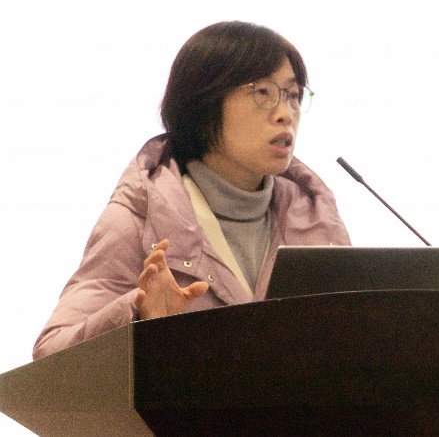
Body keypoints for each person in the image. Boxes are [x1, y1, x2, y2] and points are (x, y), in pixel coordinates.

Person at [33, 21, 350, 360]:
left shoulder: (315, 217)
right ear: (205, 102)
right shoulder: (142, 215)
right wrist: (138, 317)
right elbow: (52, 354)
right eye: (263, 93)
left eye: (293, 96)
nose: (286, 114)